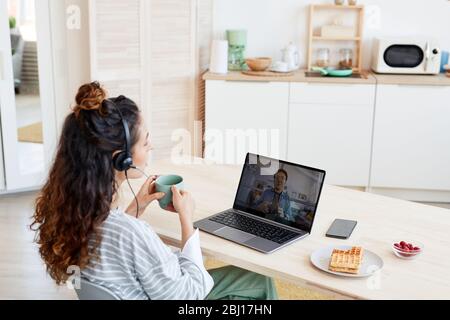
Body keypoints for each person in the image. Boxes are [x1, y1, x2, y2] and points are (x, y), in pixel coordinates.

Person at [30, 82, 278, 300]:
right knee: (260, 281)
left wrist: (139, 205)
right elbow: (192, 292)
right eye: (146, 142)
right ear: (122, 160)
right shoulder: (133, 234)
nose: (151, 147)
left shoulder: (68, 213)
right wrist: (186, 220)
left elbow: (113, 245)